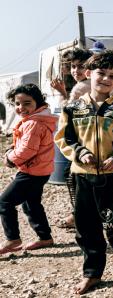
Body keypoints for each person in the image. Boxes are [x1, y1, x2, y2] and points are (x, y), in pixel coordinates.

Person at [54, 51, 113, 296]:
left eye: (112, 76)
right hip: (81, 176)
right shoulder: (72, 109)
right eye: (101, 73)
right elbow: (64, 138)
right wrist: (79, 152)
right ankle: (92, 273)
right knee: (86, 227)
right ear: (88, 74)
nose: (106, 79)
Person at [0, 84, 57, 254]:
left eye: (27, 103)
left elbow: (27, 150)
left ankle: (13, 240)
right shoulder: (36, 119)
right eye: (17, 104)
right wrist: (12, 148)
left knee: (4, 202)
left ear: (37, 103)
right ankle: (45, 237)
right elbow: (26, 142)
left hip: (31, 171)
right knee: (31, 204)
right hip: (41, 170)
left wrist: (10, 158)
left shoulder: (34, 123)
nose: (21, 108)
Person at [50, 48, 93, 229]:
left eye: (80, 66)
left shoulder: (82, 86)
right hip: (90, 138)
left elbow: (68, 110)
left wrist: (62, 93)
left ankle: (79, 216)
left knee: (74, 178)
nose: (76, 71)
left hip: (81, 140)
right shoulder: (90, 84)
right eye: (73, 67)